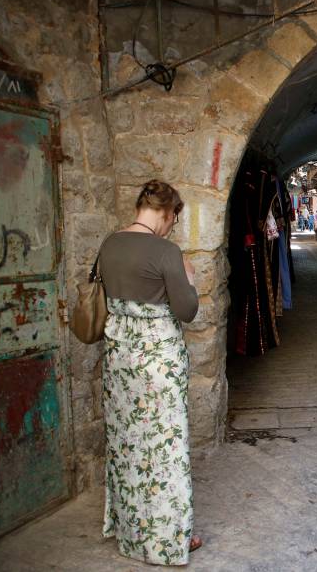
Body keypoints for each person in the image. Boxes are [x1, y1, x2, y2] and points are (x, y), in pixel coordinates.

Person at [97, 179, 201, 565]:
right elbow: (187, 310)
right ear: (167, 212)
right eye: (174, 218)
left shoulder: (109, 244)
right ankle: (169, 539)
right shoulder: (166, 251)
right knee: (166, 449)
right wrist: (188, 275)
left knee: (127, 444)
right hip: (158, 362)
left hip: (120, 360)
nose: (172, 225)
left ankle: (130, 531)